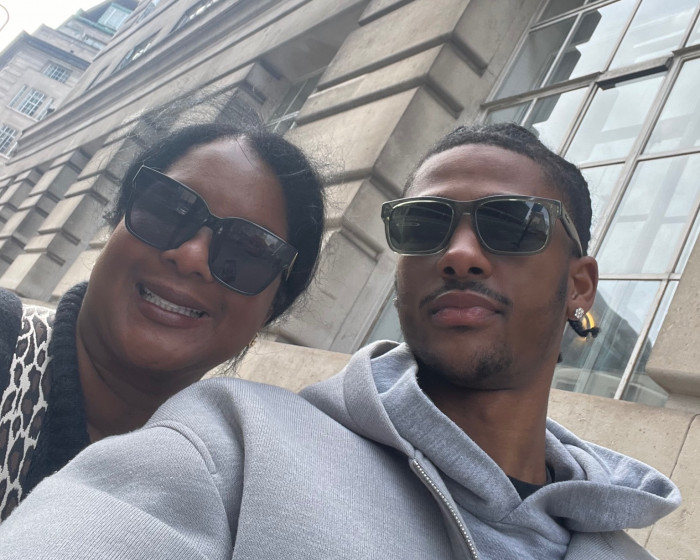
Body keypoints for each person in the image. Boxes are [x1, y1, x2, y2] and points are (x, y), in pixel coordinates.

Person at [0, 123, 679, 559]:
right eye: (424, 225)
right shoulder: (233, 442)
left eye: (512, 224)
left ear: (580, 287)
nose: (460, 254)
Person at [0, 121, 325, 521]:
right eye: (170, 209)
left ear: (270, 310)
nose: (190, 257)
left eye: (248, 250)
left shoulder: (232, 502)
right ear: (116, 222)